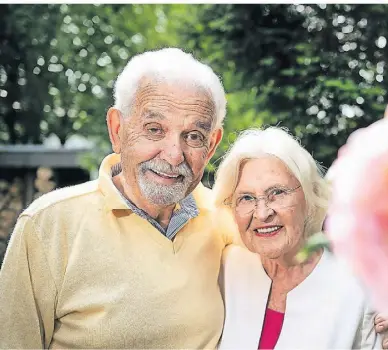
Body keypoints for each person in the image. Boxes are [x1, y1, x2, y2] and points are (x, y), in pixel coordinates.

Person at [0, 48, 234, 348]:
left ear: (212, 145)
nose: (174, 155)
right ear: (117, 129)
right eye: (154, 129)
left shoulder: (228, 219)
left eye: (193, 136)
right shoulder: (48, 225)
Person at [213, 127, 388, 349]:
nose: (262, 212)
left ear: (309, 196)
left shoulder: (360, 290)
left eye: (277, 193)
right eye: (246, 198)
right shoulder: (227, 267)